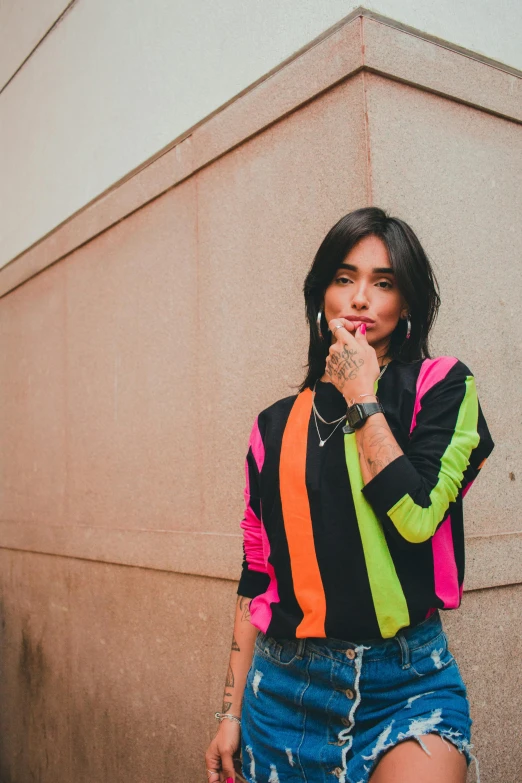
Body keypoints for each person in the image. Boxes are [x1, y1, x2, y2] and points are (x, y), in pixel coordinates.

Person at [204, 206, 494, 783]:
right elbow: (257, 575)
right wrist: (229, 713)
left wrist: (362, 396)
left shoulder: (443, 387)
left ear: (405, 302)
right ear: (322, 296)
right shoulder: (271, 426)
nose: (361, 298)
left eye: (383, 283)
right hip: (285, 689)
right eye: (344, 279)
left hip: (405, 682)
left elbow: (415, 517)